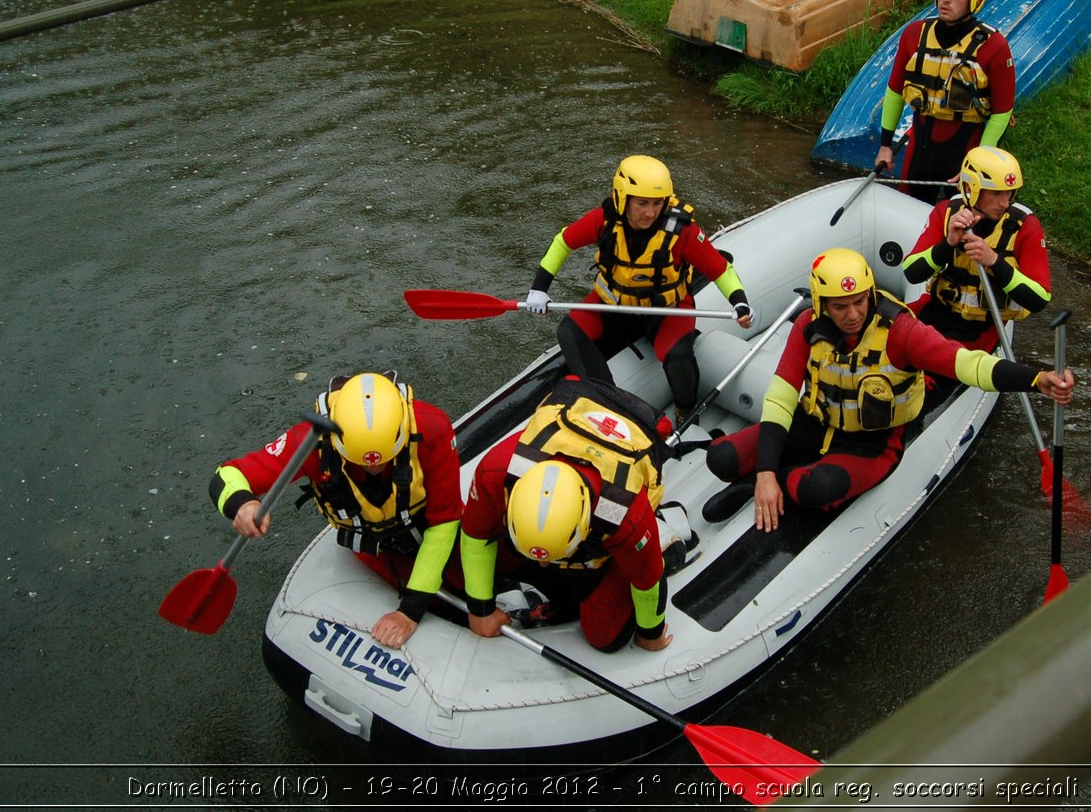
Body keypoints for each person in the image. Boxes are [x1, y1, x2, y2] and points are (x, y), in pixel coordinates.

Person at [701, 247, 1074, 530]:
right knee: (721, 458)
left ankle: (761, 485)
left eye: (860, 301)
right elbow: (782, 397)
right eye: (841, 306)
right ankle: (765, 477)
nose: (853, 314)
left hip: (872, 443)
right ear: (821, 304)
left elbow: (966, 364)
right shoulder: (807, 326)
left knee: (812, 489)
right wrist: (765, 467)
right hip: (814, 422)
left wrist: (1034, 379)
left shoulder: (900, 331)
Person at [209, 372, 462, 649]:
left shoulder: (431, 427)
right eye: (363, 463)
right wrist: (242, 504)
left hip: (429, 529)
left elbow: (445, 520)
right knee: (444, 608)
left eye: (382, 461)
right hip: (372, 545)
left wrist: (410, 611)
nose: (373, 469)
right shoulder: (309, 440)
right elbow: (226, 475)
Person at [458, 376, 692, 653]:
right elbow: (475, 534)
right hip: (551, 528)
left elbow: (648, 580)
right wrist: (481, 609)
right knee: (456, 572)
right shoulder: (497, 471)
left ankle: (662, 532)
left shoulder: (624, 513)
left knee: (606, 637)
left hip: (599, 553)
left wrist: (650, 635)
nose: (542, 565)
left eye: (548, 560)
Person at [524, 154, 754, 420]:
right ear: (623, 198)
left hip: (665, 311)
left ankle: (686, 410)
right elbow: (563, 242)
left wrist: (740, 301)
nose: (650, 212)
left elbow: (720, 270)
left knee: (679, 357)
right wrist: (539, 288)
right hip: (614, 306)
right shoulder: (603, 221)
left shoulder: (683, 233)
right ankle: (606, 402)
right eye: (642, 203)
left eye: (657, 204)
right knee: (569, 332)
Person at [872, 0, 1017, 204]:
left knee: (963, 214)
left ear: (976, 0)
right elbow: (895, 91)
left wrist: (978, 164)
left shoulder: (994, 46)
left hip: (965, 145)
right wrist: (885, 145)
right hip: (921, 143)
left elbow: (1002, 112)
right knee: (907, 204)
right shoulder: (914, 34)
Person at [902, 145, 1052, 373]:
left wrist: (993, 260)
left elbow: (1040, 298)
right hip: (936, 312)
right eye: (996, 193)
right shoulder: (946, 213)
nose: (1005, 202)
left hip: (982, 330)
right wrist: (948, 244)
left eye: (1009, 193)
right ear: (972, 189)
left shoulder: (1026, 227)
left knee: (936, 363)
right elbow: (912, 272)